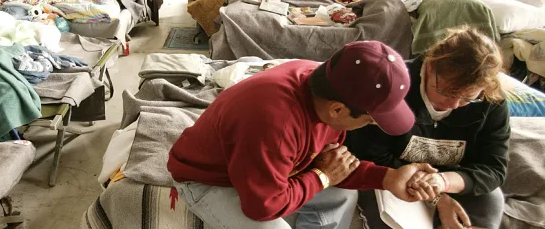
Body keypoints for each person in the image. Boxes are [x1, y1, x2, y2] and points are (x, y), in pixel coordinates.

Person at [169, 40, 440, 229]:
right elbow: (262, 207)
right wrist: (321, 177)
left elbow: (333, 164)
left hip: (265, 169)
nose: (370, 125)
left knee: (343, 196)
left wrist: (389, 177)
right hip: (209, 181)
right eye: (370, 121)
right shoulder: (275, 123)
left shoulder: (327, 82)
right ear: (337, 109)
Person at [347, 28, 509, 229]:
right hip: (395, 175)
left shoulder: (491, 102)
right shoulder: (394, 85)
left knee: (491, 200)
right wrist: (436, 197)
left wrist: (442, 182)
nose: (454, 104)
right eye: (447, 92)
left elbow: (493, 168)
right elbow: (369, 154)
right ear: (430, 66)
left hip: (452, 179)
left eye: (468, 97)